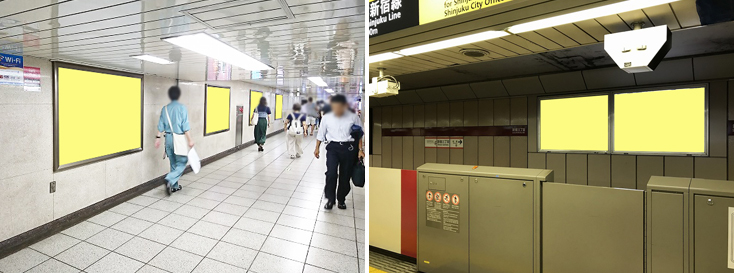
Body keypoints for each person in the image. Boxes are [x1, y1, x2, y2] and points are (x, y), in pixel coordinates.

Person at [314, 94, 365, 210]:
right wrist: (317, 148)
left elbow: (359, 134)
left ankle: (341, 199)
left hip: (349, 148)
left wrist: (360, 150)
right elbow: (321, 133)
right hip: (333, 148)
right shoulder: (327, 117)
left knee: (345, 175)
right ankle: (330, 199)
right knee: (331, 173)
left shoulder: (353, 117)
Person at [155, 86, 194, 195]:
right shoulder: (182, 108)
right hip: (178, 138)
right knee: (182, 161)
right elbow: (185, 126)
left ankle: (174, 186)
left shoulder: (165, 108)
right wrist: (190, 140)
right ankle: (170, 179)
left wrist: (157, 138)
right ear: (178, 95)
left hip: (167, 139)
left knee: (173, 162)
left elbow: (160, 125)